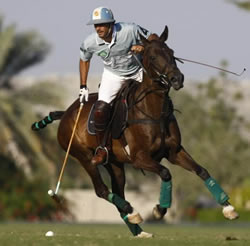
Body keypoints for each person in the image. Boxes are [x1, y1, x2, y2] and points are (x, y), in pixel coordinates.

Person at [79, 6, 154, 165]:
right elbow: (84, 59)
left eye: (102, 24)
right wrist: (83, 86)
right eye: (96, 25)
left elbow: (153, 38)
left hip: (137, 71)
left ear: (111, 24)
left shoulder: (130, 30)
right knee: (100, 109)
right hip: (113, 75)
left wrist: (143, 46)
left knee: (157, 95)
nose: (98, 28)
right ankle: (102, 148)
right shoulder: (90, 42)